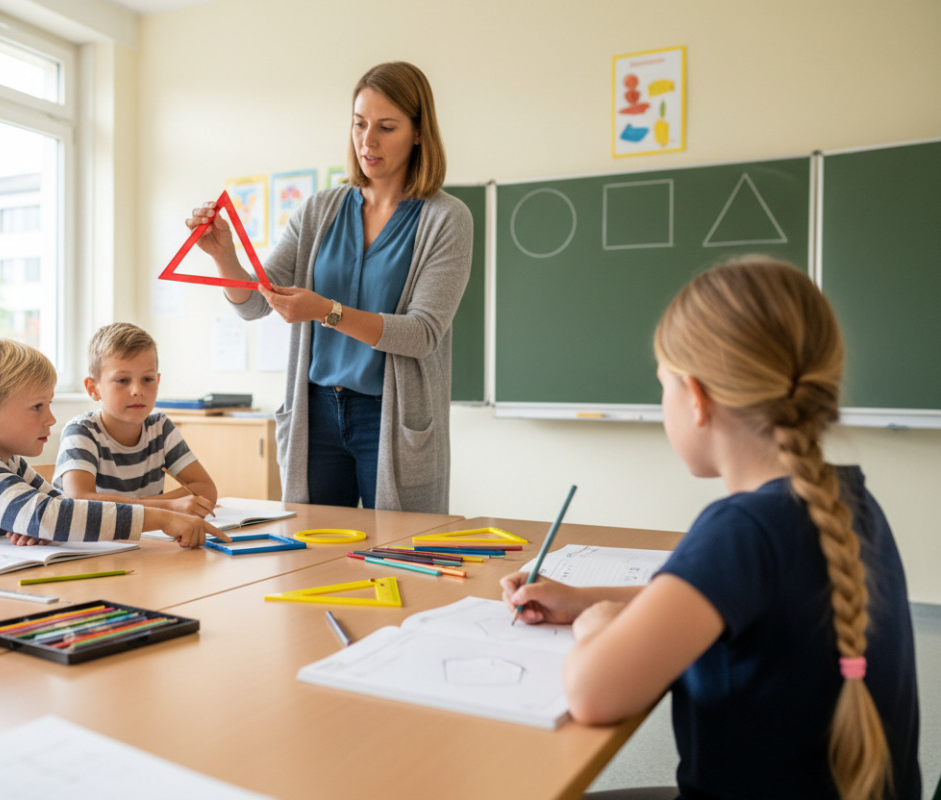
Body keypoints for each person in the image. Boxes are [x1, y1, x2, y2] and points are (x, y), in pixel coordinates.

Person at [501, 257, 920, 800]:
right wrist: (584, 597)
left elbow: (592, 693)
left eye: (663, 386)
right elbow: (719, 603)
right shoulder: (845, 500)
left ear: (695, 398)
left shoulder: (741, 529)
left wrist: (598, 621)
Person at [186, 61, 473, 513]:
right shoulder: (320, 209)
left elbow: (422, 335)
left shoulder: (446, 218)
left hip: (390, 417)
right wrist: (224, 256)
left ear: (419, 133)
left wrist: (326, 311)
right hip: (315, 412)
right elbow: (254, 305)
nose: (367, 141)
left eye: (386, 126)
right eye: (359, 124)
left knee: (401, 556)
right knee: (311, 552)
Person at [0, 338, 226, 550]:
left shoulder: (7, 461)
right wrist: (162, 519)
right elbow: (49, 515)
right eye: (38, 407)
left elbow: (57, 507)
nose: (51, 419)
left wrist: (42, 523)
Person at [53, 322, 217, 518]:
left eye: (147, 379)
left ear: (158, 380)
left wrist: (147, 508)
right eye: (122, 380)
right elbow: (80, 501)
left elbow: (206, 489)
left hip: (143, 538)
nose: (138, 390)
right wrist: (168, 506)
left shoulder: (160, 428)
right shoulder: (81, 432)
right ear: (93, 388)